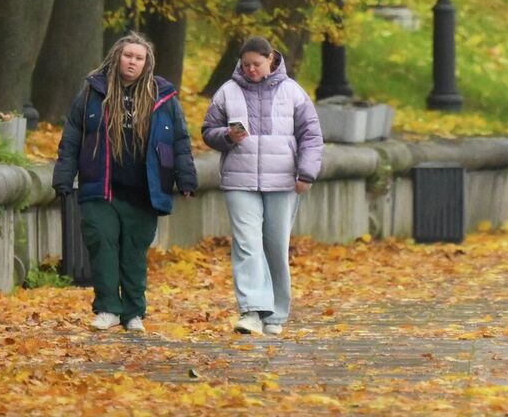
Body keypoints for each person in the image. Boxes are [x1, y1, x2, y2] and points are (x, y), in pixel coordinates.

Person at [52, 32, 198, 333]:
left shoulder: (163, 97)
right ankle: (108, 308)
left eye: (139, 57)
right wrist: (63, 179)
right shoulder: (93, 94)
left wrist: (186, 179)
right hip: (100, 187)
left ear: (147, 64)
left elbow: (180, 141)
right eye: (128, 55)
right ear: (117, 57)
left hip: (144, 190)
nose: (132, 61)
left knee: (133, 253)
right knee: (102, 246)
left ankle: (133, 311)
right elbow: (71, 139)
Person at [203, 37, 324, 337]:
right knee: (246, 244)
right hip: (239, 180)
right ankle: (252, 310)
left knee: (275, 246)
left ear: (271, 59)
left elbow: (311, 135)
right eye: (246, 65)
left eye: (256, 64)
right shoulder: (227, 92)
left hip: (282, 181)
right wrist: (227, 136)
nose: (251, 70)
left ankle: (276, 314)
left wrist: (306, 173)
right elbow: (208, 131)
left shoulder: (292, 92)